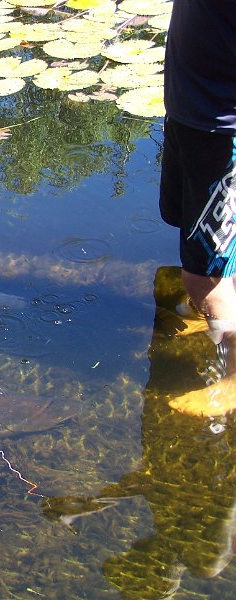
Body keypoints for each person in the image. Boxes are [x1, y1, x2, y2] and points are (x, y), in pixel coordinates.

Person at [159, 0, 236, 416]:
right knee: (192, 228)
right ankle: (223, 316)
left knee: (203, 278)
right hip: (191, 109)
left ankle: (232, 383)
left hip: (220, 125)